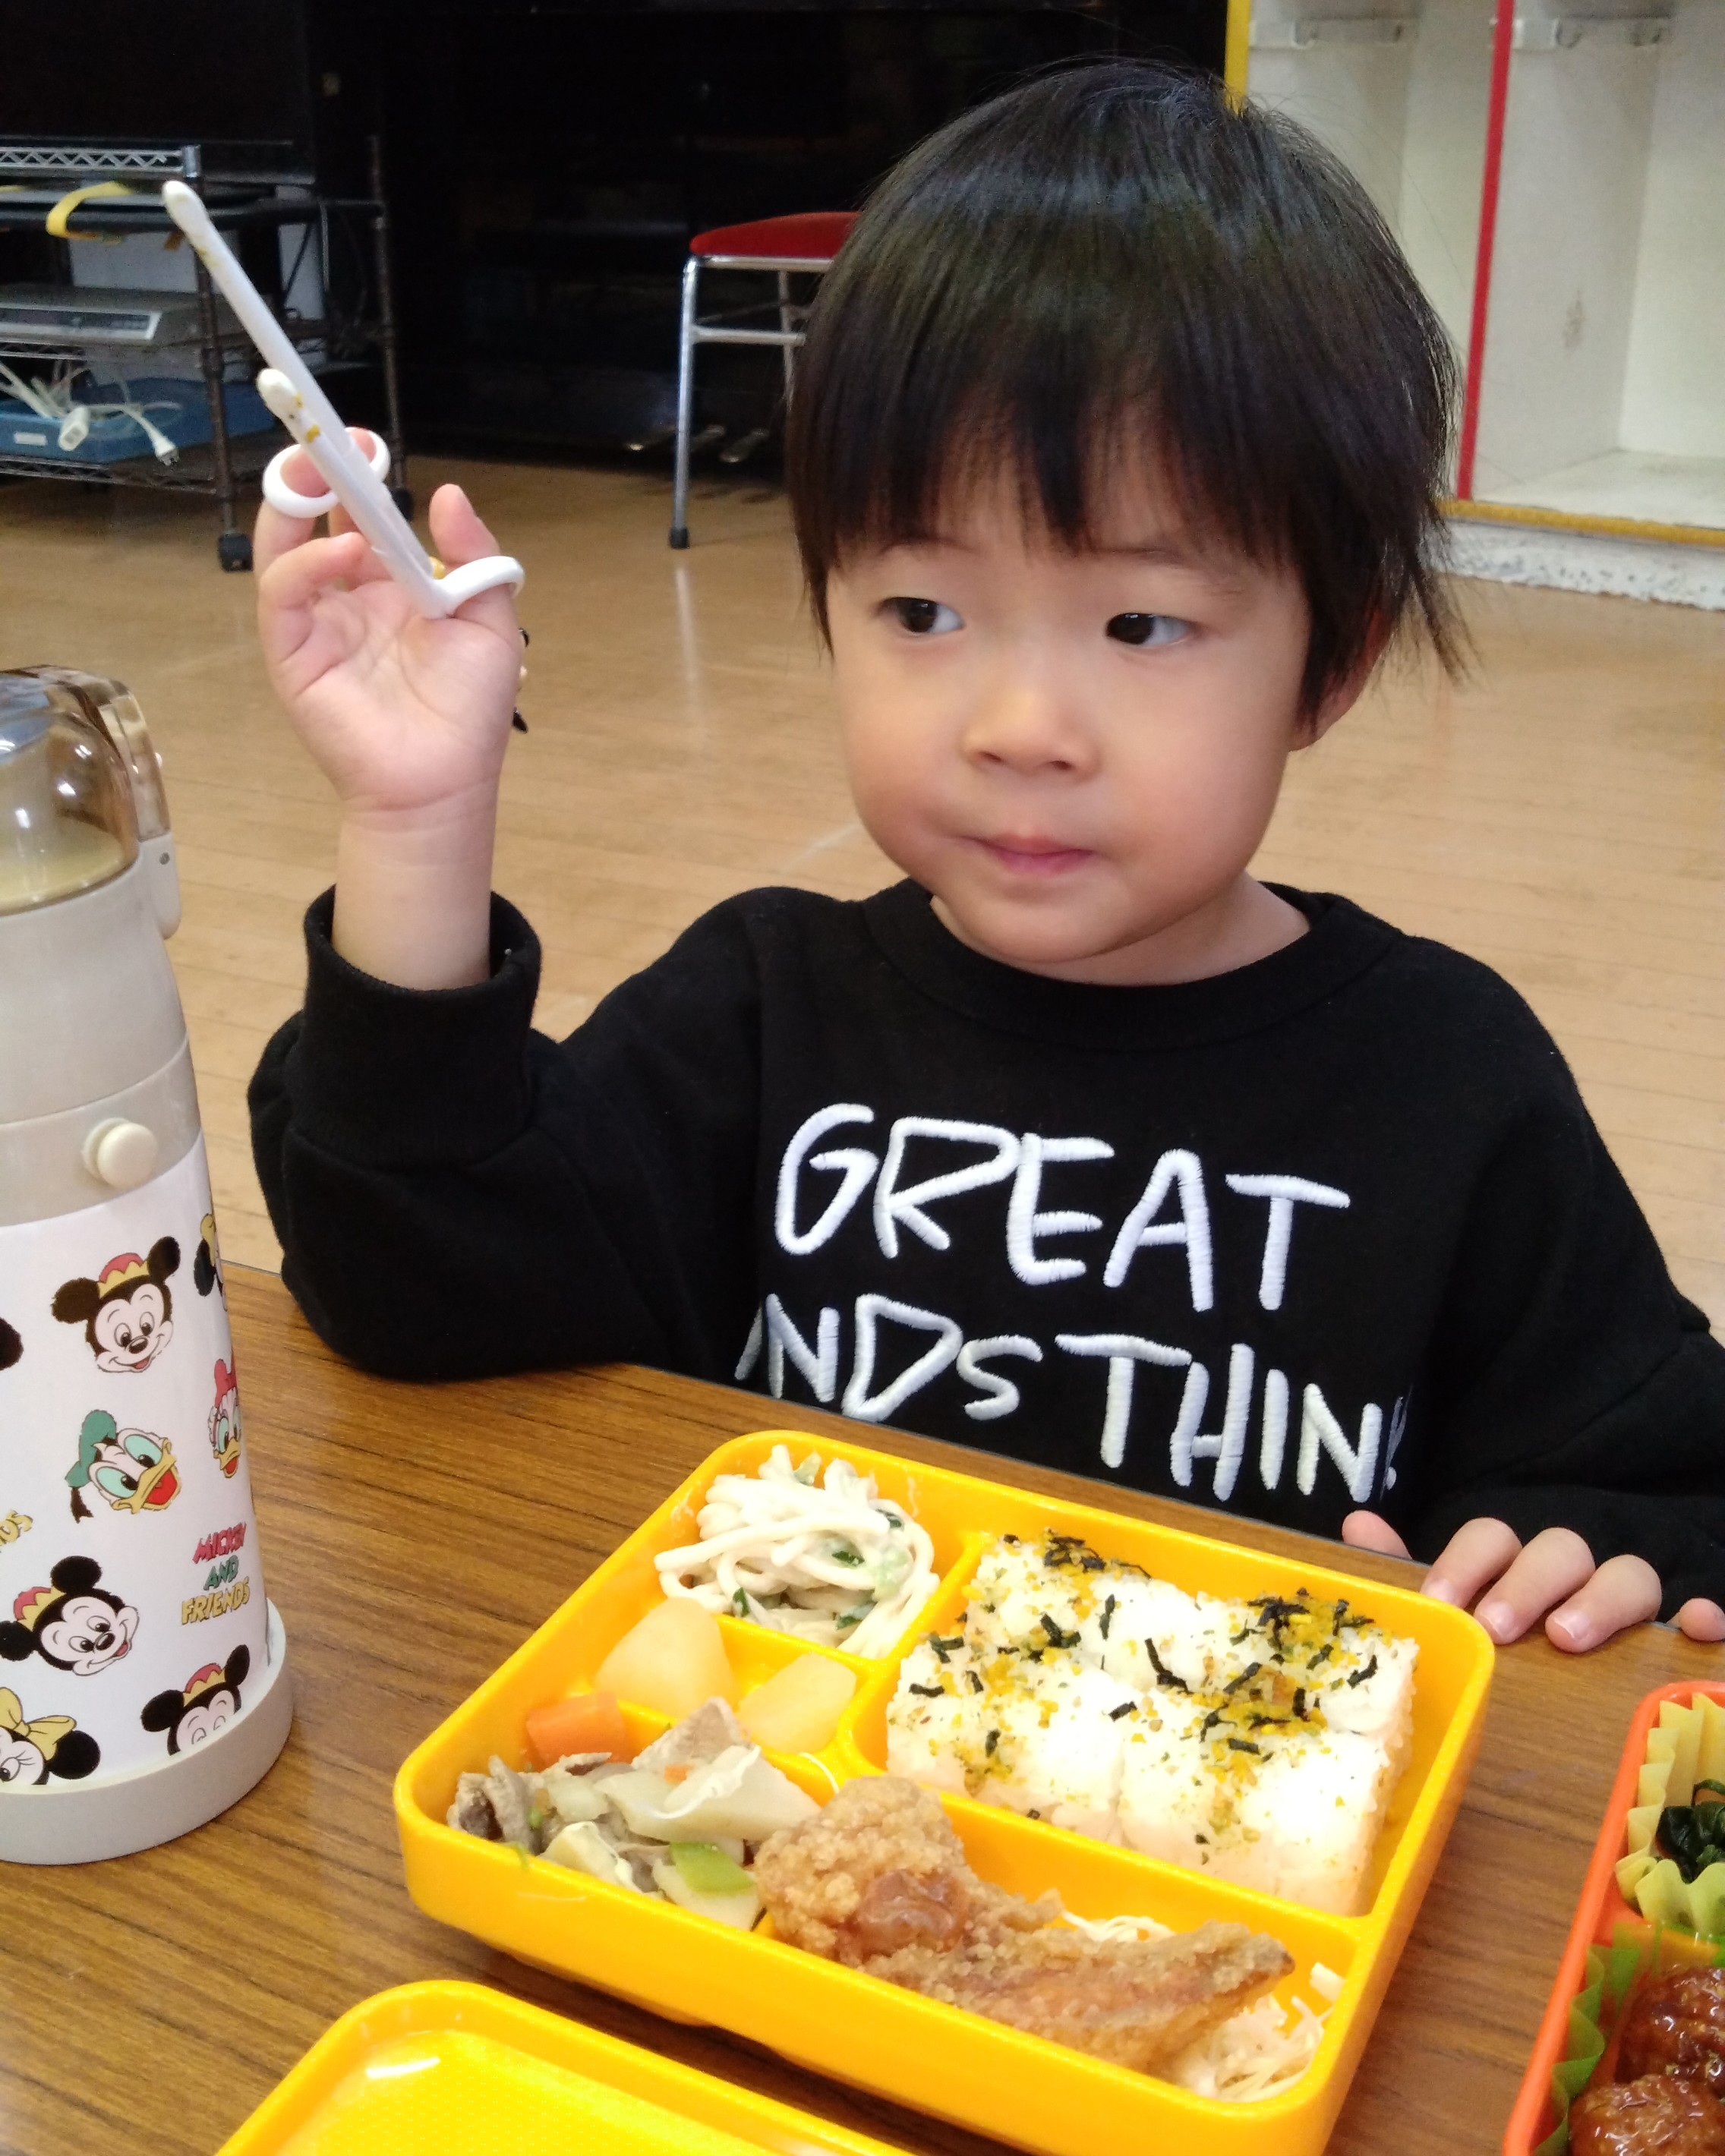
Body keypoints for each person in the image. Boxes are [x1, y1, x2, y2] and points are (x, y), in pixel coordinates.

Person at [248, 62, 1725, 1654]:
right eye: (924, 611)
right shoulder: (760, 1011)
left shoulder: (1445, 1079)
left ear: (1331, 662)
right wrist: (415, 819)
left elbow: (1663, 1483)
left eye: (1141, 623)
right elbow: (415, 1278)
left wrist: (1602, 1555)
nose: (1020, 728)